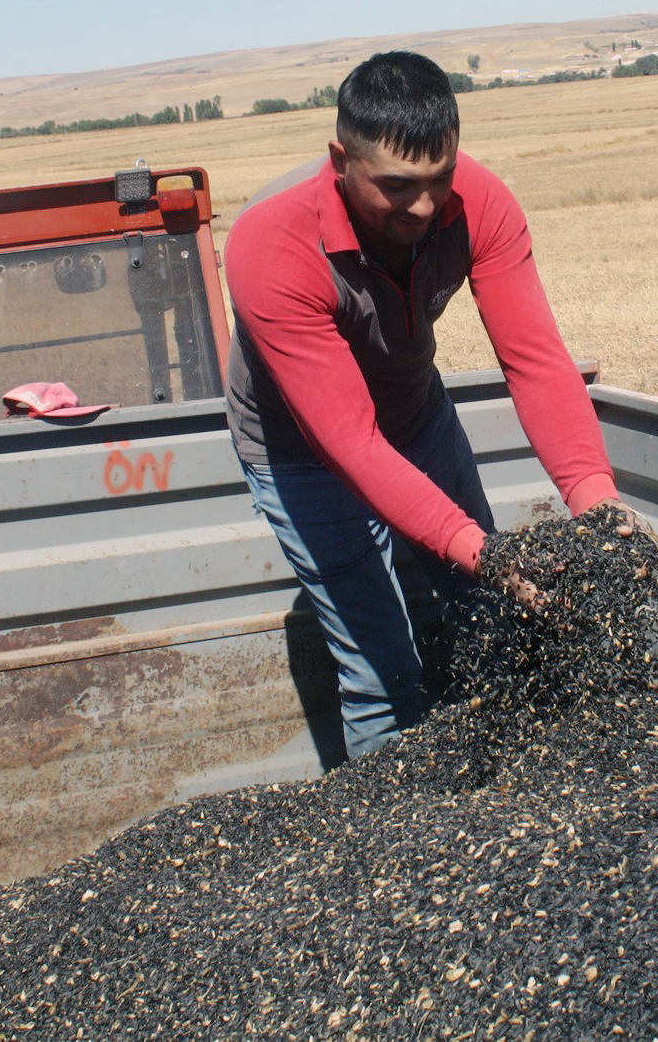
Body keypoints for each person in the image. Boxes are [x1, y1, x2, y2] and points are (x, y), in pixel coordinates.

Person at [224, 50, 627, 758]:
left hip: (414, 420)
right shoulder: (273, 243)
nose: (423, 205)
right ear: (339, 160)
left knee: (491, 615)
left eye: (438, 180)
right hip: (302, 457)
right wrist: (483, 548)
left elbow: (534, 360)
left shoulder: (477, 201)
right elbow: (348, 442)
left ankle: (511, 789)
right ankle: (388, 844)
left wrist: (595, 498)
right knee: (382, 667)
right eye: (397, 186)